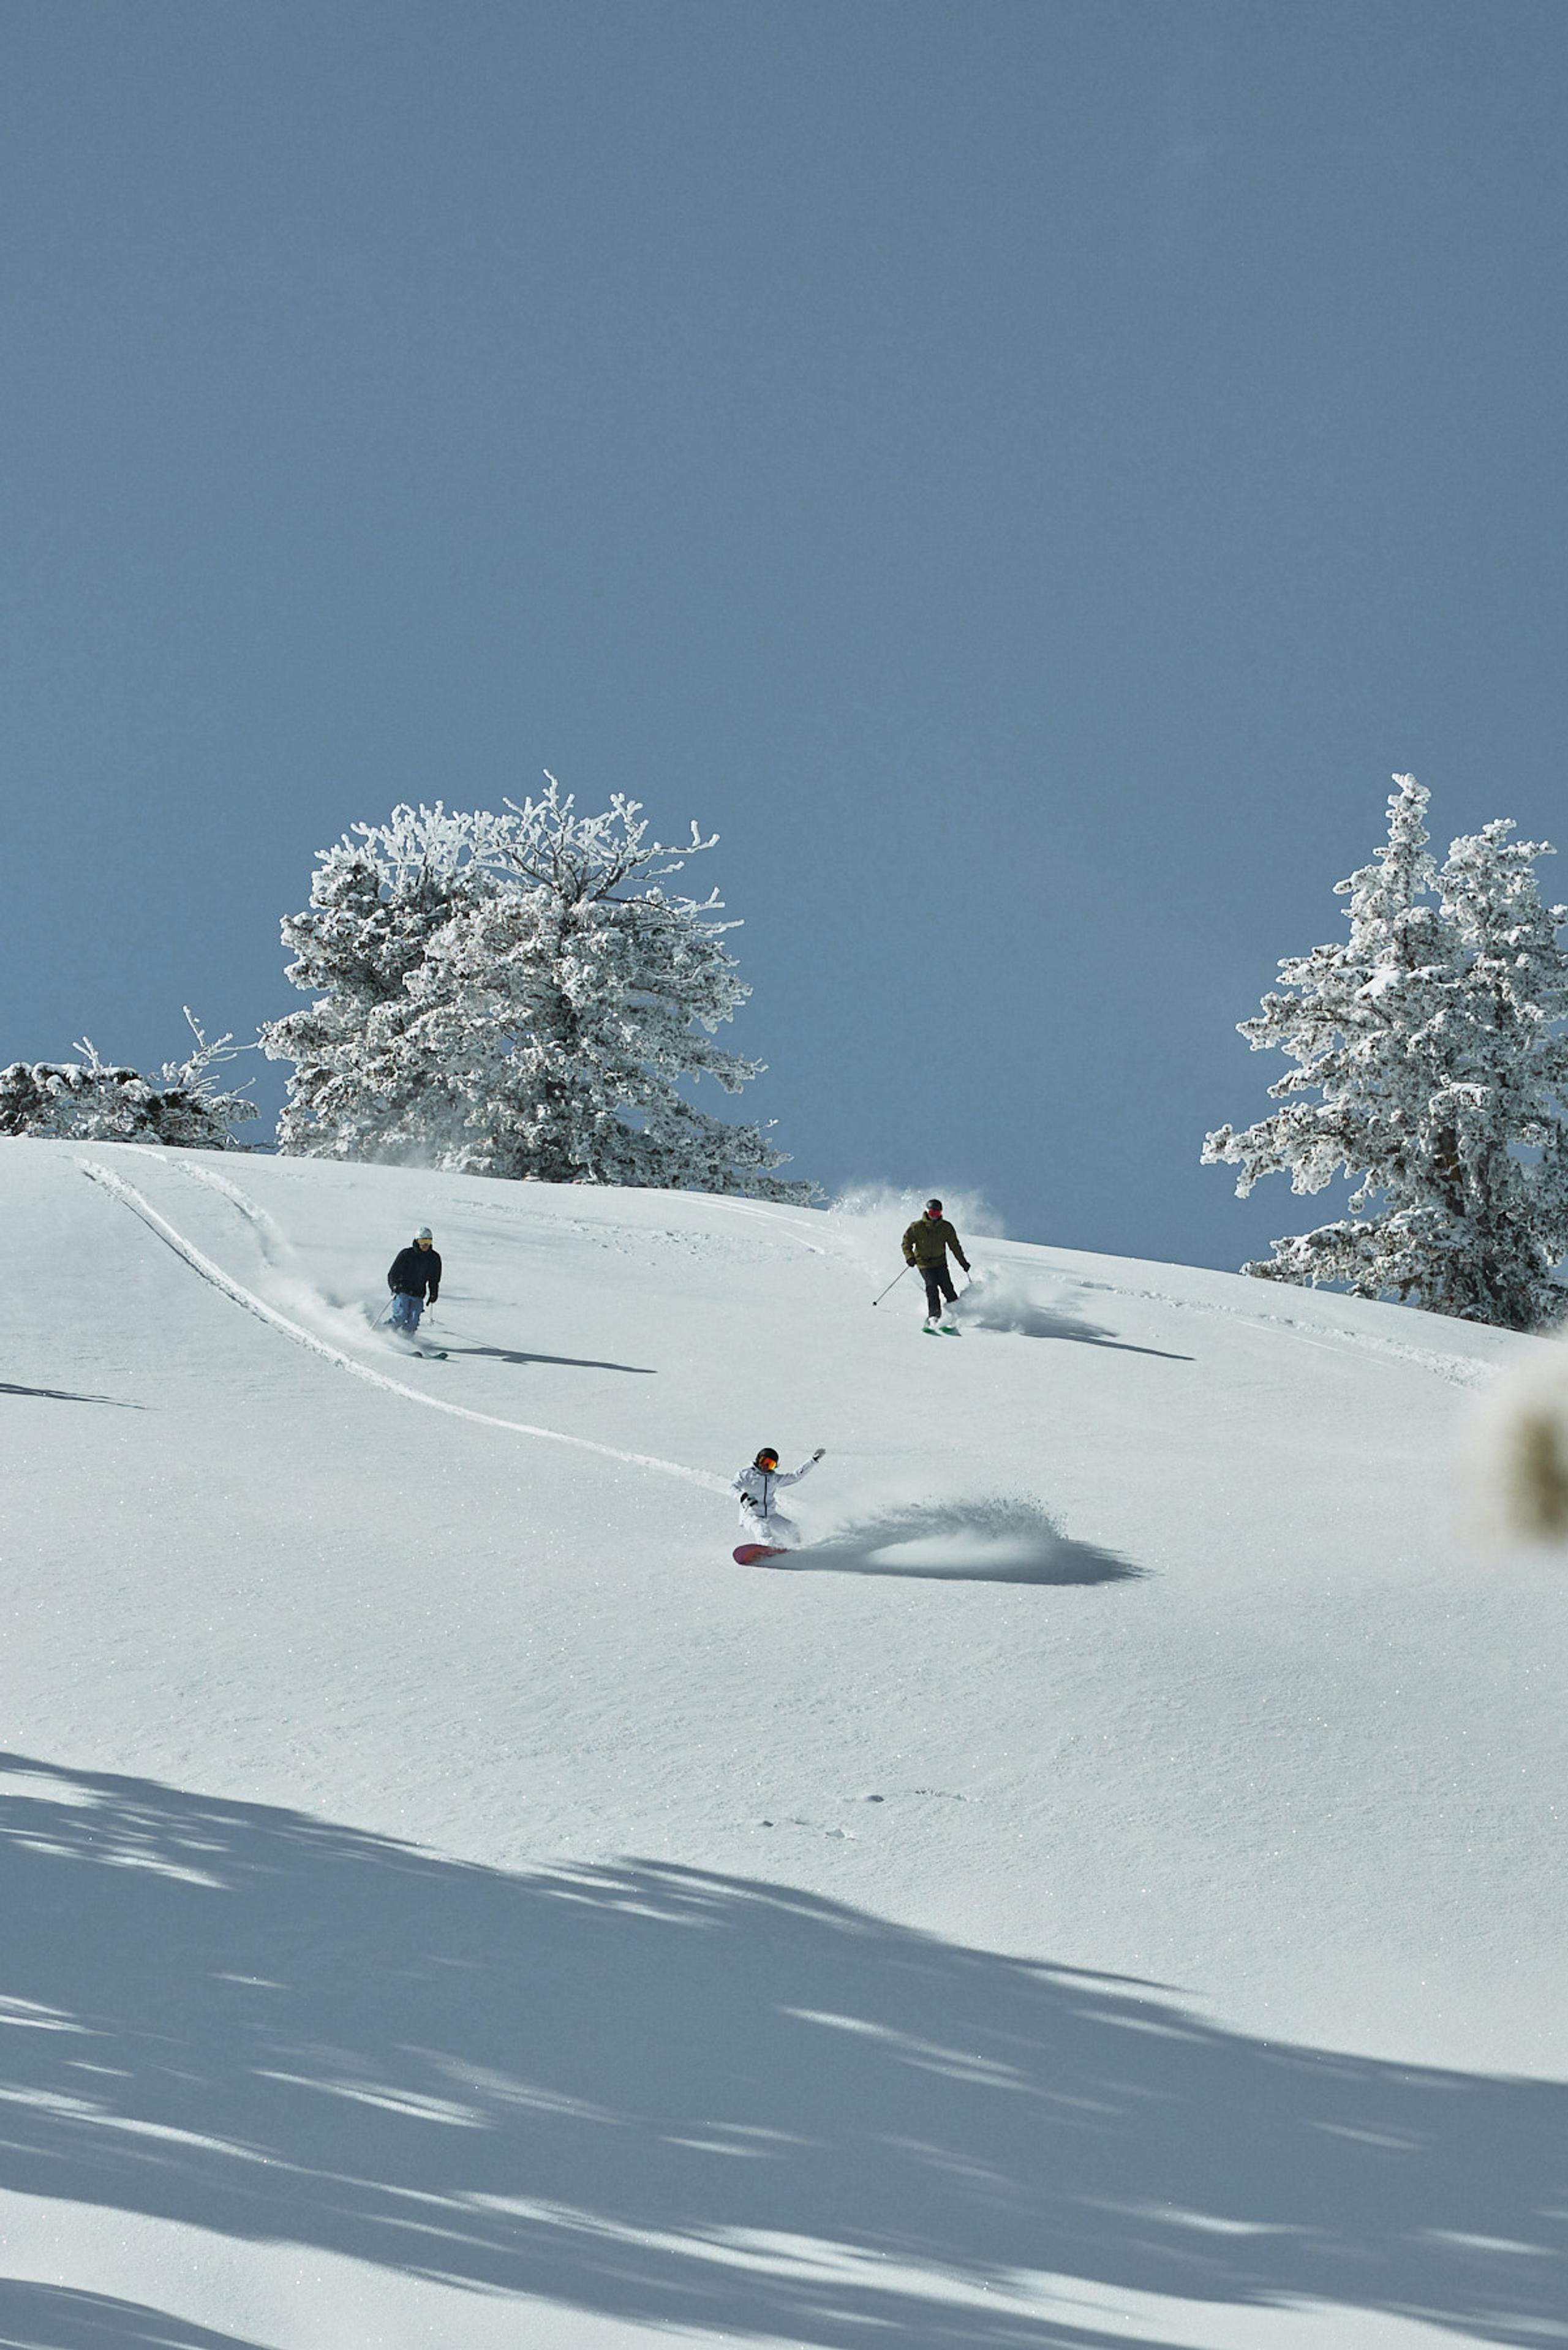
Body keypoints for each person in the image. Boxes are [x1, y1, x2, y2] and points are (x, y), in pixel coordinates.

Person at [731, 1445, 825, 1551]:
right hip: (751, 1516)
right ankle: (770, 1551)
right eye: (764, 1461)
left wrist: (812, 1461)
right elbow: (732, 1488)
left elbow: (795, 1477)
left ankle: (798, 1549)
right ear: (758, 1459)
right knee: (762, 1530)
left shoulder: (773, 1478)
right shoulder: (745, 1474)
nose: (766, 1466)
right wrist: (743, 1497)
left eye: (770, 1464)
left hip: (771, 1516)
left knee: (793, 1529)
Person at [902, 1197, 971, 1331]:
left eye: (937, 1214)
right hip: (924, 1263)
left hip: (940, 1262)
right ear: (927, 1212)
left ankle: (957, 1315)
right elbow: (906, 1243)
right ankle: (934, 1316)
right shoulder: (916, 1227)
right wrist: (910, 1257)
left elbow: (955, 1246)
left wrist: (963, 1262)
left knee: (947, 1287)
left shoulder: (946, 1227)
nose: (934, 1217)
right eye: (932, 1214)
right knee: (932, 1287)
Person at [387, 1226, 442, 1335]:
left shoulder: (434, 1258)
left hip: (418, 1294)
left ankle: (405, 1342)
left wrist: (433, 1293)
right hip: (403, 1291)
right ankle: (382, 1333)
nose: (425, 1245)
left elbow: (434, 1279)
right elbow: (393, 1273)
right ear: (417, 1241)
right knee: (401, 1316)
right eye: (422, 1241)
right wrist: (394, 1286)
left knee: (413, 1322)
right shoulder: (407, 1254)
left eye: (428, 1241)